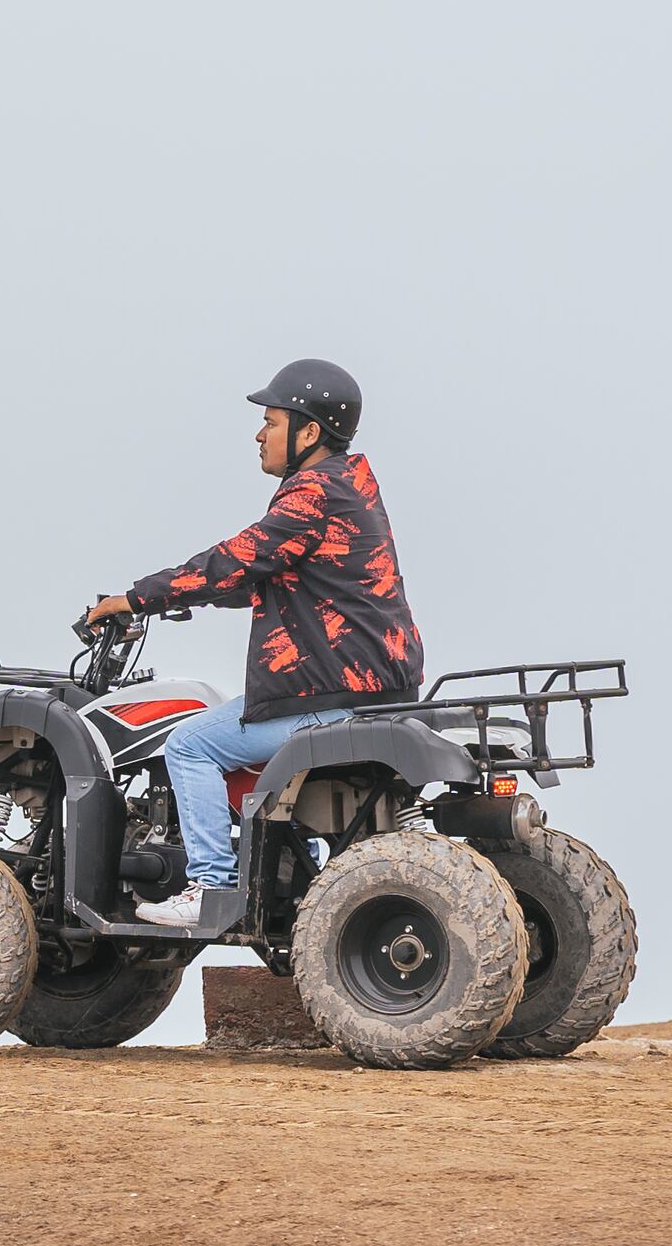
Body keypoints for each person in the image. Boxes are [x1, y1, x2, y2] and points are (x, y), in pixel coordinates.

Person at [80, 359, 421, 930]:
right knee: (226, 737)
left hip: (329, 695)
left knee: (189, 745)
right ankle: (295, 870)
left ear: (308, 432)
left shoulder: (313, 493)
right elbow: (265, 575)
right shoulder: (352, 486)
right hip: (370, 687)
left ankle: (210, 888)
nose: (259, 434)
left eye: (271, 421)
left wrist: (136, 599)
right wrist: (194, 596)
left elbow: (236, 560)